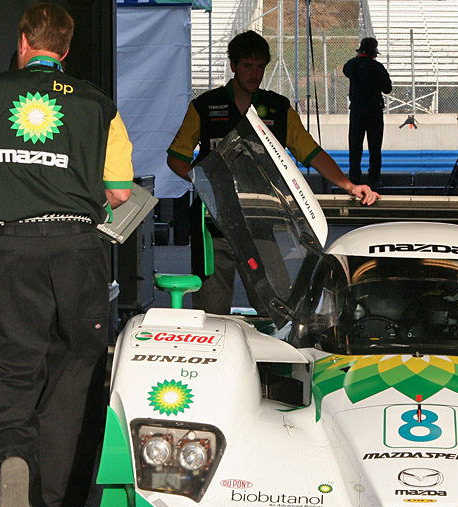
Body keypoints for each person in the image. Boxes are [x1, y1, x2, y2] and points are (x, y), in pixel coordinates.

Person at [0, 3, 134, 507]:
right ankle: (58, 498)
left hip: (6, 248)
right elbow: (118, 192)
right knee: (75, 367)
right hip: (78, 249)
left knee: (11, 368)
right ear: (66, 51)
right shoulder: (99, 104)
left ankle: (11, 466)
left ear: (23, 42)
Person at [166, 30, 379, 315]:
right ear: (233, 66)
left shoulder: (278, 108)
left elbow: (311, 152)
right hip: (213, 228)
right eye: (247, 66)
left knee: (276, 309)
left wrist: (349, 185)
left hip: (261, 225)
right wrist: (205, 183)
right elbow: (176, 158)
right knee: (211, 314)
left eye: (260, 67)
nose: (254, 74)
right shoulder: (204, 106)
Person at [343, 37, 392, 186]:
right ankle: (374, 178)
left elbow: (345, 71)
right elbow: (387, 89)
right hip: (374, 111)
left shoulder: (352, 65)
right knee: (375, 147)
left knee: (355, 146)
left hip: (357, 110)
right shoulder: (378, 67)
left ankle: (354, 177)